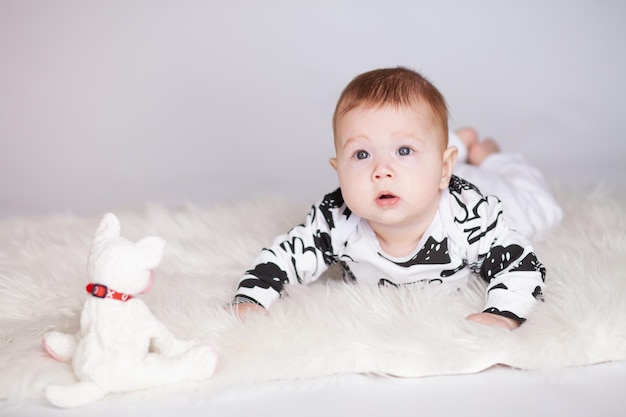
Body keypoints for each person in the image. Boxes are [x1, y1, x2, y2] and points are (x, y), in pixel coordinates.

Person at [230, 67, 562, 330]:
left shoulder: (471, 216)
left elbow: (520, 265)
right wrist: (252, 298)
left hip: (481, 187)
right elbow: (285, 256)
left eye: (403, 150)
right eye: (361, 154)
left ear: (444, 168)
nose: (381, 171)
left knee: (542, 210)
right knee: (422, 160)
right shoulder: (336, 218)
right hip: (431, 171)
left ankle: (488, 154)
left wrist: (503, 313)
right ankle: (450, 144)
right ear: (338, 170)